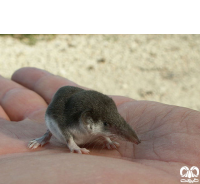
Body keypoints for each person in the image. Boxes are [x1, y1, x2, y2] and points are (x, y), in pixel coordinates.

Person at [0, 67, 199, 183]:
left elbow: (111, 125)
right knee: (58, 130)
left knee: (107, 130)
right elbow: (67, 133)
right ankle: (46, 135)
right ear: (87, 121)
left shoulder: (95, 119)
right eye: (106, 125)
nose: (128, 136)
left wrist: (104, 136)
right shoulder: (65, 119)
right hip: (62, 120)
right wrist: (73, 145)